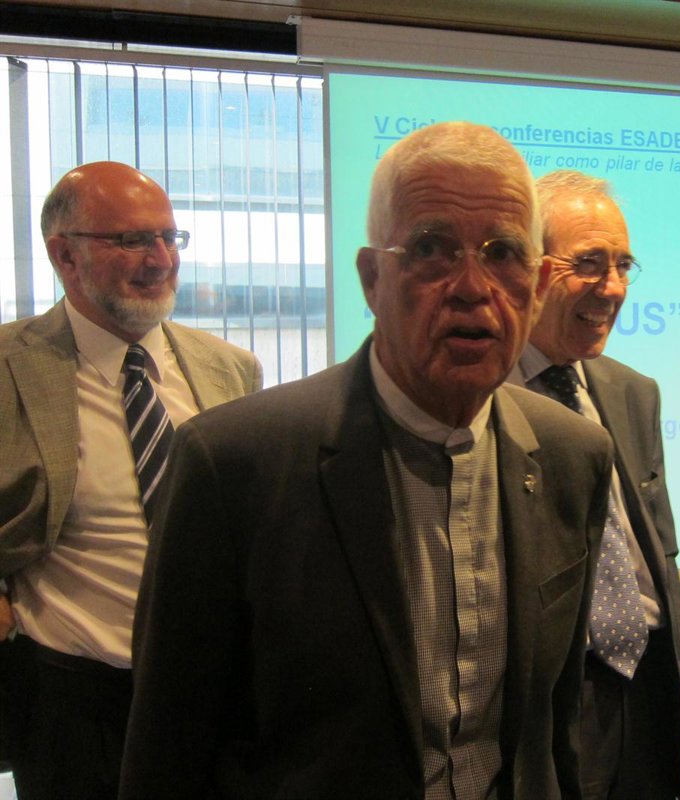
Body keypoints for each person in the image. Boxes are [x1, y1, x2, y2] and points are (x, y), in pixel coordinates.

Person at [119, 122, 613, 799]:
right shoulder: (233, 464)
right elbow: (167, 750)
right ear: (372, 278)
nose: (472, 287)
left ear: (536, 285)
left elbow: (553, 729)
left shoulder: (574, 454)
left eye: (503, 253)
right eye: (431, 248)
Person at [0, 161, 262, 799]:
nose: (161, 259)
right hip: (75, 708)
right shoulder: (9, 365)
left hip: (217, 699)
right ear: (64, 255)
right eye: (133, 240)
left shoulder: (231, 369)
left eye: (170, 237)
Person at [509, 170, 680, 800]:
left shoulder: (632, 392)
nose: (612, 287)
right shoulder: (481, 402)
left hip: (648, 688)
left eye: (623, 265)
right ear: (529, 269)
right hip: (548, 705)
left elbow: (662, 564)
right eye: (588, 263)